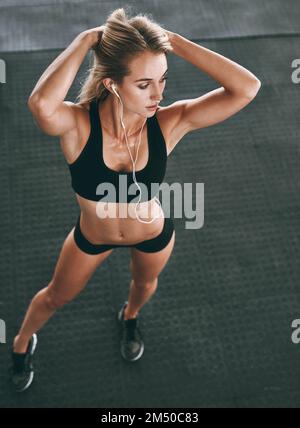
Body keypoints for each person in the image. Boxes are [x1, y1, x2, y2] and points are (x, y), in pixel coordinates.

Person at [10, 7, 261, 392]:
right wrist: (85, 40)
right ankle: (22, 341)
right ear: (112, 84)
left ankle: (130, 316)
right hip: (93, 237)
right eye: (144, 84)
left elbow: (247, 88)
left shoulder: (169, 123)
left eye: (162, 79)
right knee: (55, 297)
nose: (159, 94)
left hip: (153, 233)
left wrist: (172, 42)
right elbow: (41, 106)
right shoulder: (78, 125)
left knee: (144, 286)